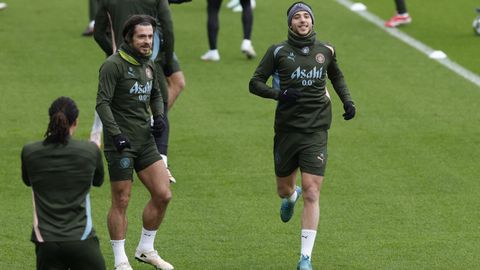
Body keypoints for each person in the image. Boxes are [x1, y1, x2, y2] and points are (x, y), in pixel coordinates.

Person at [249, 2, 356, 270]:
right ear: (290, 23)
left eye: (306, 16)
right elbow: (255, 83)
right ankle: (290, 196)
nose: (302, 20)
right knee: (285, 188)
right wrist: (279, 94)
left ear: (312, 21)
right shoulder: (278, 52)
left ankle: (305, 258)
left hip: (316, 129)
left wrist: (348, 101)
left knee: (312, 190)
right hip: (287, 130)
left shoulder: (326, 50)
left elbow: (337, 76)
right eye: (296, 17)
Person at [96, 15, 174, 270]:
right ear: (129, 37)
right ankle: (120, 260)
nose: (147, 41)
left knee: (163, 194)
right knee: (122, 199)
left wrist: (160, 115)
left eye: (150, 37)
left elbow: (157, 94)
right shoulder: (112, 65)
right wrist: (115, 134)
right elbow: (102, 103)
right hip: (121, 143)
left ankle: (145, 249)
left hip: (145, 141)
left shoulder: (148, 65)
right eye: (142, 36)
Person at [92, 0, 186, 182]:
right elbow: (168, 27)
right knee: (160, 105)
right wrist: (166, 61)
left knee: (171, 88)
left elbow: (98, 33)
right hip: (152, 53)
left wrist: (112, 52)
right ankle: (162, 162)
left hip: (131, 53)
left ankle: (110, 137)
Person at [21, 97, 106, 270]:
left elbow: (28, 181)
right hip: (82, 240)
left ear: (50, 118)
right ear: (76, 121)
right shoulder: (90, 151)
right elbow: (98, 181)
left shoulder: (30, 152)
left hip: (46, 243)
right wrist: (95, 152)